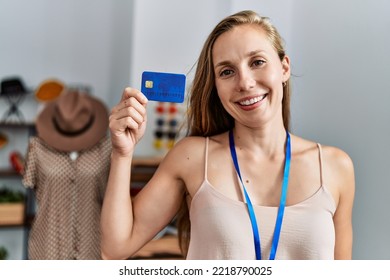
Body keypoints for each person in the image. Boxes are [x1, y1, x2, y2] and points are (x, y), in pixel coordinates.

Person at [101, 10, 355, 260]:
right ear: (216, 87)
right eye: (226, 71)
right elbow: (114, 249)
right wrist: (122, 154)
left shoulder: (335, 166)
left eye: (257, 62)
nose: (244, 82)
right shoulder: (192, 157)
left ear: (284, 68)